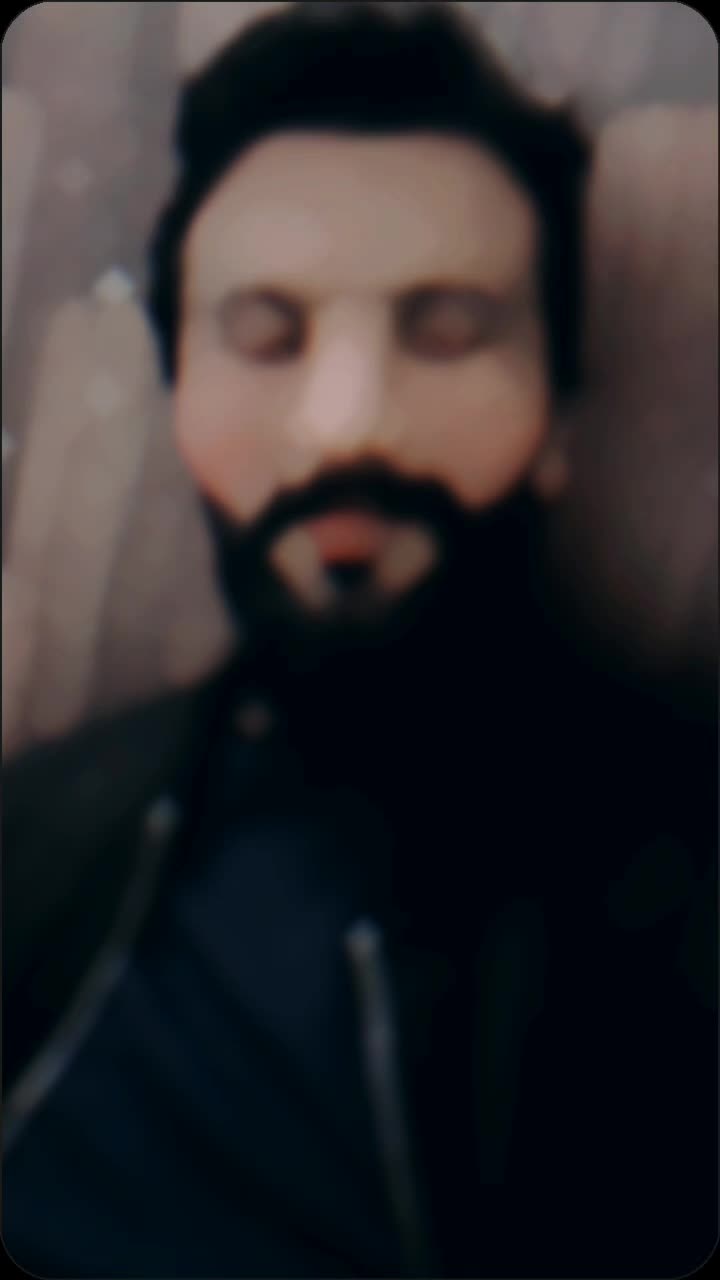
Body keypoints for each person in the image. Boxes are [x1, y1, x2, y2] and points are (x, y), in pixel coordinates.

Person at [3, 4, 716, 1277]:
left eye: (448, 331)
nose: (346, 423)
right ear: (181, 397)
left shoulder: (680, 881)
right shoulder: (35, 832)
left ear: (558, 417)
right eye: (265, 336)